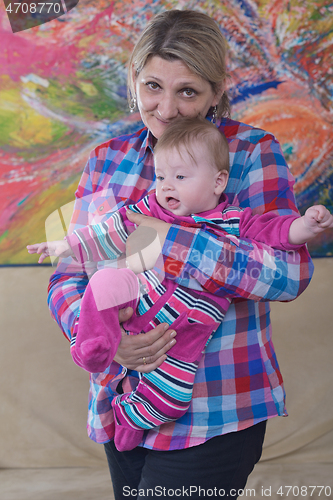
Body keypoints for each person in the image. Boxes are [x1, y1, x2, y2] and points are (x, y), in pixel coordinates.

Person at [45, 9, 316, 499]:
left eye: (187, 91)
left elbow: (289, 274)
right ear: (133, 81)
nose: (166, 108)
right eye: (153, 86)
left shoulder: (251, 153)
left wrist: (167, 243)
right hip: (119, 397)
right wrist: (101, 339)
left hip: (219, 405)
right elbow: (68, 277)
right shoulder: (106, 162)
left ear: (216, 92)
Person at [28, 117, 333, 454]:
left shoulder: (234, 218)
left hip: (186, 332)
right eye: (161, 177)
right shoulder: (138, 193)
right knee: (105, 281)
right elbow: (108, 234)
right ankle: (93, 343)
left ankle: (130, 415)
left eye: (180, 177)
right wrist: (66, 246)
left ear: (219, 182)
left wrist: (305, 226)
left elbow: (278, 240)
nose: (166, 186)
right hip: (138, 303)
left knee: (172, 397)